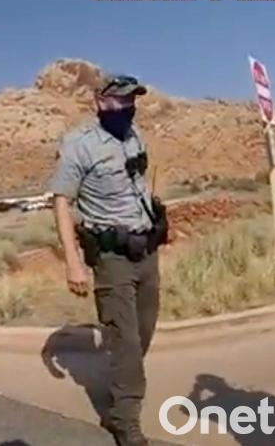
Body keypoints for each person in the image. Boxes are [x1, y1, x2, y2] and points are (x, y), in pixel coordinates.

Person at [47, 74, 168, 446]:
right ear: (98, 102)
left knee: (143, 332)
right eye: (118, 101)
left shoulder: (134, 135)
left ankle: (121, 382)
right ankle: (125, 421)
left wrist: (158, 219)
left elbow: (139, 183)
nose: (126, 108)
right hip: (112, 258)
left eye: (131, 100)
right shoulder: (78, 144)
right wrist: (73, 262)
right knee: (126, 341)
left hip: (145, 250)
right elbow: (62, 201)